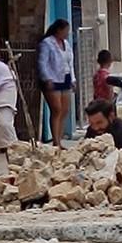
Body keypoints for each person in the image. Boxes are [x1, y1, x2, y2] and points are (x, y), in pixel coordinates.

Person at [38, 19, 75, 148]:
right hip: (52, 79)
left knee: (65, 110)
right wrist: (47, 78)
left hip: (65, 77)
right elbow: (43, 63)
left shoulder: (66, 44)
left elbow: (70, 63)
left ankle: (59, 138)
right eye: (65, 31)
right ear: (58, 30)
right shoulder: (47, 44)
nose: (67, 34)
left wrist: (73, 79)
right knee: (56, 109)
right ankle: (55, 141)